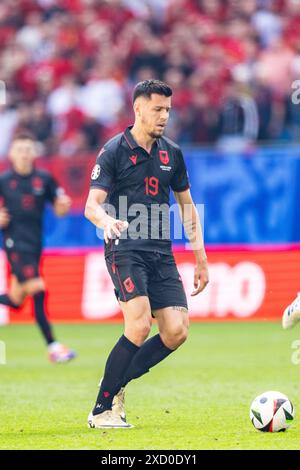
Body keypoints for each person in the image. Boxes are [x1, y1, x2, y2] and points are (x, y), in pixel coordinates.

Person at [85, 79, 209, 428]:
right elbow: (91, 206)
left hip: (161, 252)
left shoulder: (172, 153)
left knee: (176, 332)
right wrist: (107, 220)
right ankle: (101, 410)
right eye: (157, 109)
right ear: (138, 108)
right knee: (139, 325)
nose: (164, 116)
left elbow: (187, 207)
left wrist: (200, 255)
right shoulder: (113, 151)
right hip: (125, 249)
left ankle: (115, 381)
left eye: (167, 109)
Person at [0, 133, 76, 363]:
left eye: (27, 149)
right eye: (19, 149)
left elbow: (60, 209)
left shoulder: (44, 179)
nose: (24, 153)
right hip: (14, 243)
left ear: (34, 153)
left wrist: (63, 206)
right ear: (11, 154)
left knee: (16, 300)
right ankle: (53, 347)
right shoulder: (4, 181)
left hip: (34, 245)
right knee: (38, 289)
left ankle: (53, 347)